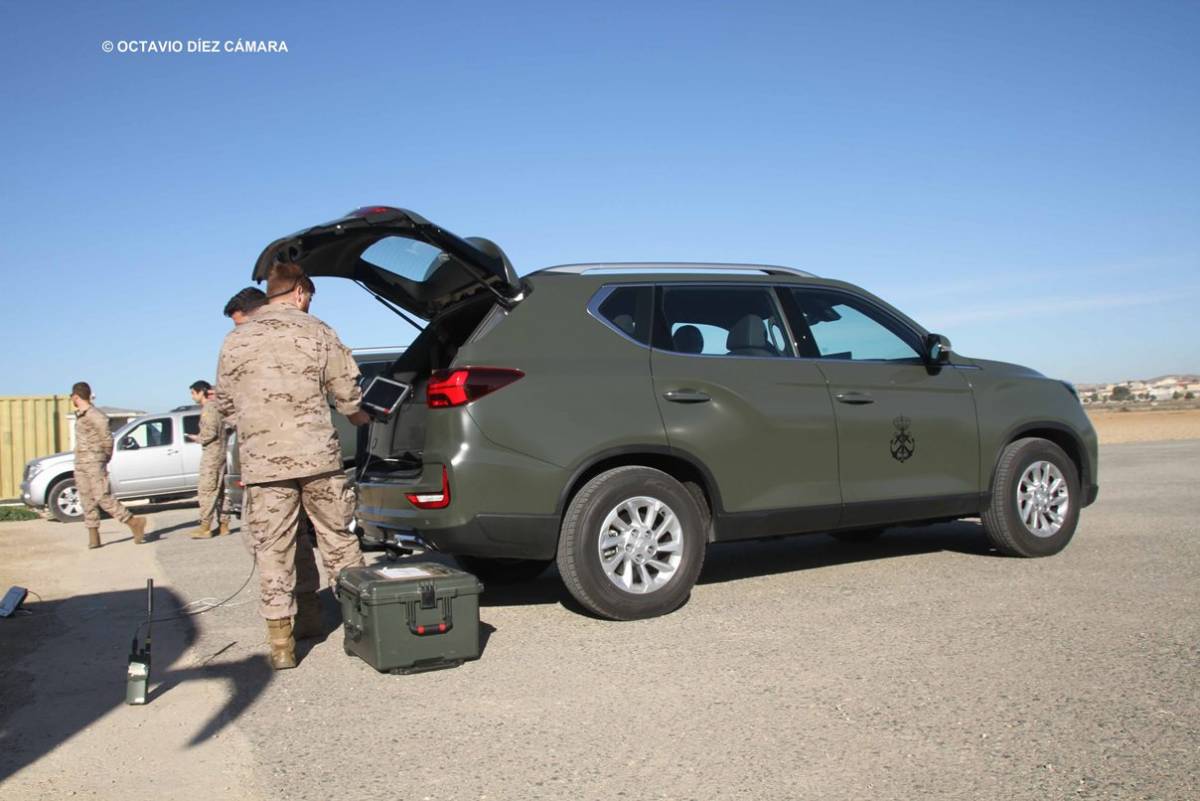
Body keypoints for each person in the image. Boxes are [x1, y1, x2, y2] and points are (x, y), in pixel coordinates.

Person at [215, 262, 369, 670]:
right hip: (318, 458)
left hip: (264, 466)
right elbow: (347, 394)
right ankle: (361, 626)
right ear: (300, 292)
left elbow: (227, 406)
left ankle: (283, 644)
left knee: (274, 549)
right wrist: (362, 419)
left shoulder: (235, 340)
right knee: (337, 537)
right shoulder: (317, 330)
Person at [70, 382, 148, 549]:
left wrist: (104, 457)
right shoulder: (81, 415)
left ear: (76, 397)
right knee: (86, 498)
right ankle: (93, 535)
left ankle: (133, 522)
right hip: (81, 462)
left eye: (72, 397)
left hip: (94, 461)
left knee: (101, 496)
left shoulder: (95, 415)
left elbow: (107, 439)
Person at [186, 379, 232, 538]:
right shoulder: (216, 408)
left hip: (212, 455)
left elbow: (210, 432)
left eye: (193, 393)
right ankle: (224, 525)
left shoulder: (209, 409)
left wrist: (198, 438)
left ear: (201, 392)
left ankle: (205, 526)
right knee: (219, 491)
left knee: (206, 490)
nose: (192, 396)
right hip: (219, 453)